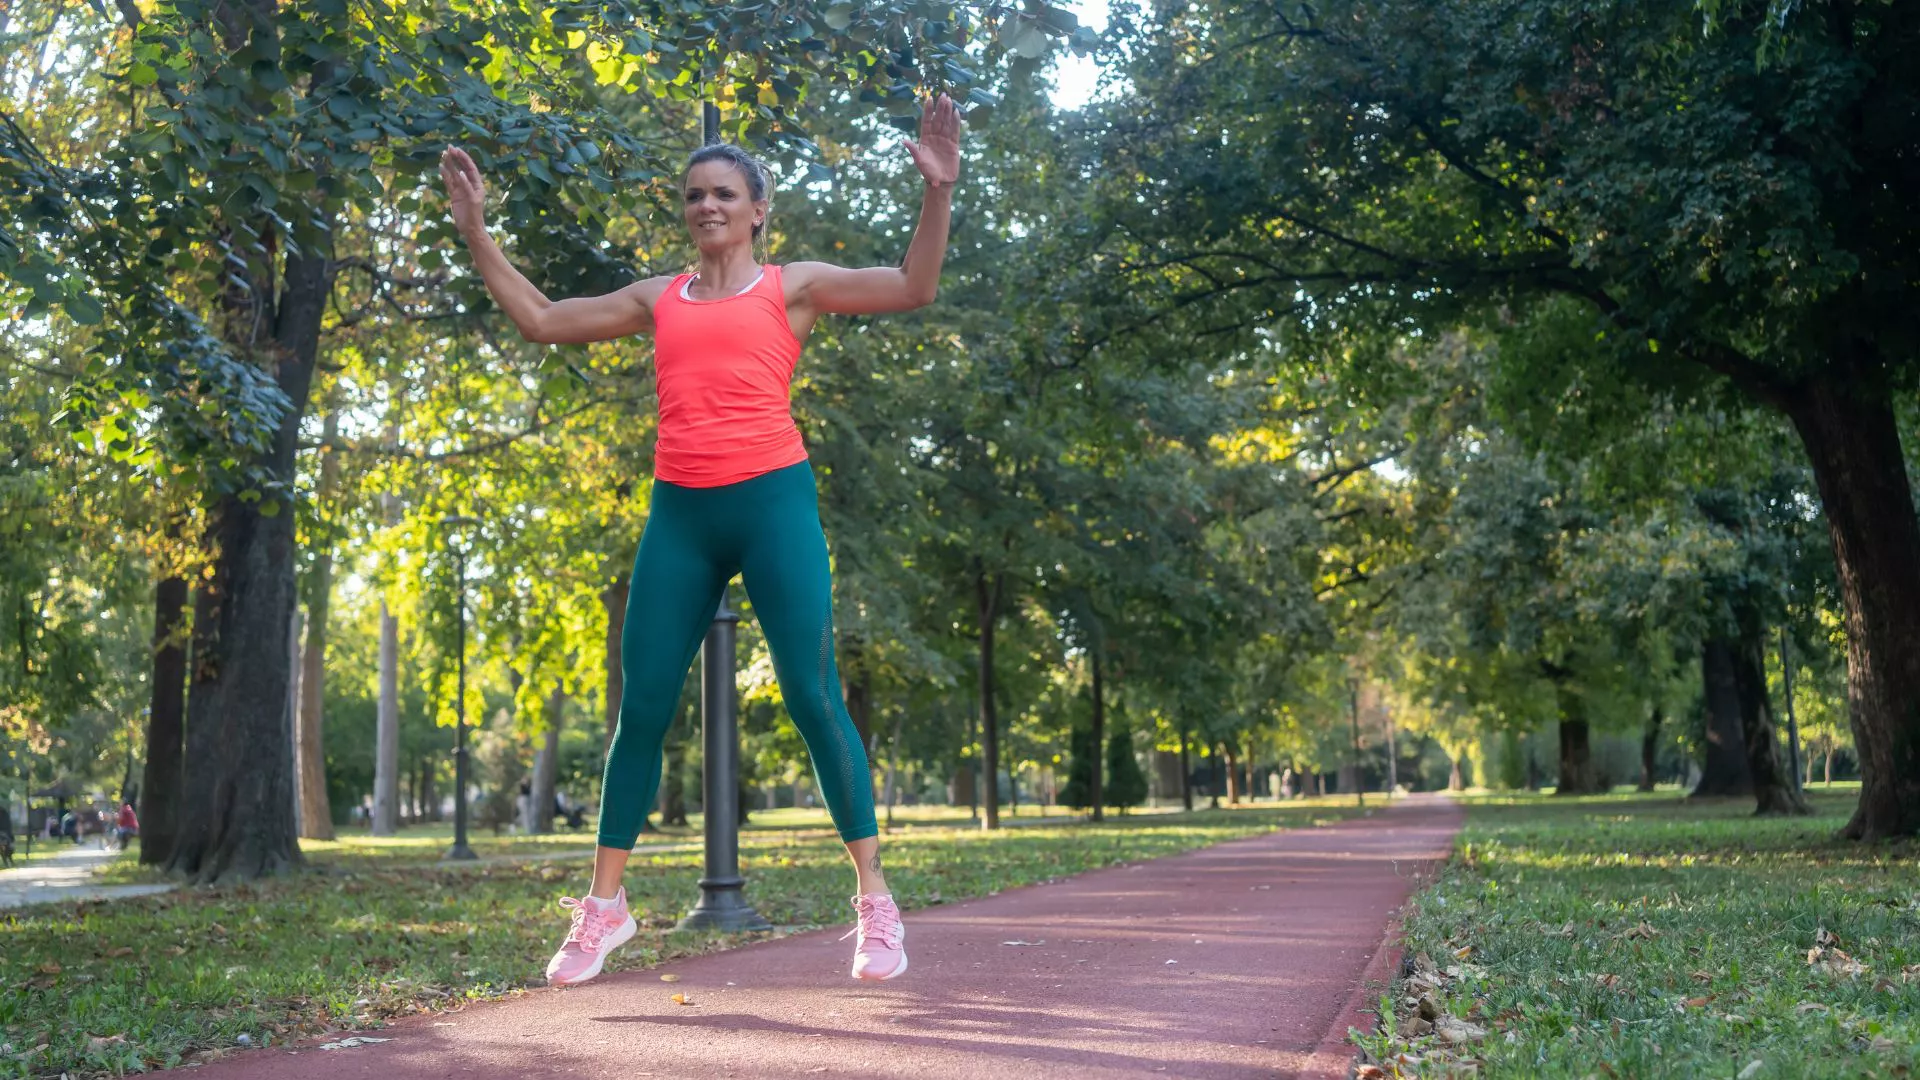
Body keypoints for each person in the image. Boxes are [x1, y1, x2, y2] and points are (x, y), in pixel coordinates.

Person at [440, 93, 961, 988]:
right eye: (693, 195)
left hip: (772, 502)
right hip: (681, 512)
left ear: (759, 210)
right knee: (641, 707)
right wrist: (477, 232)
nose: (707, 206)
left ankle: (875, 898)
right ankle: (605, 909)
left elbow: (914, 287)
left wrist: (938, 193)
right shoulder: (658, 297)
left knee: (810, 695)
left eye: (724, 193)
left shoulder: (791, 287)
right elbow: (544, 320)